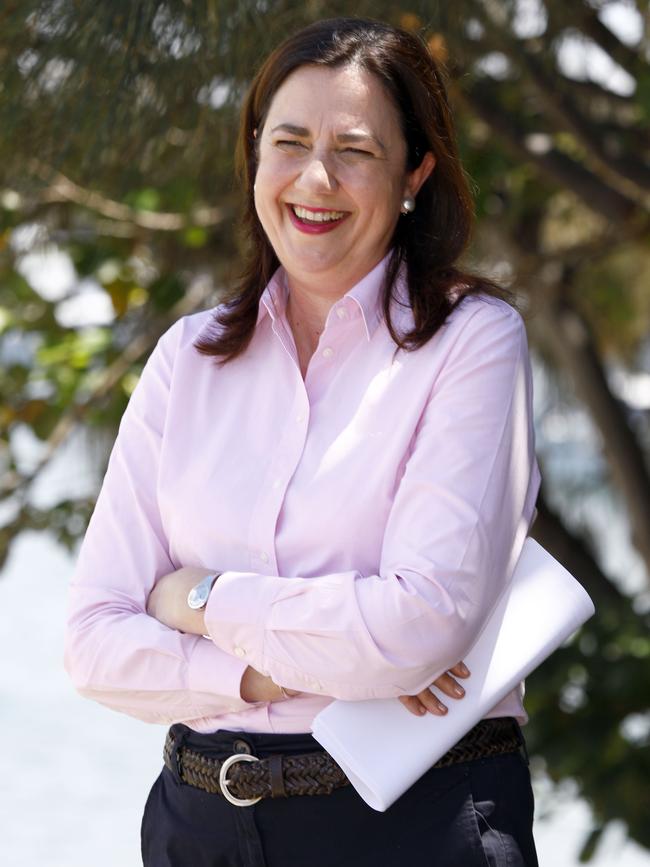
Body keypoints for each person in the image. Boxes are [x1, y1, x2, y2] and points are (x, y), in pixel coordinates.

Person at [64, 16, 541, 867]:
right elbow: (95, 642)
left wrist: (199, 598)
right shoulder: (188, 358)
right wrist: (273, 672)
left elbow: (418, 624)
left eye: (355, 150)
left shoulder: (474, 341)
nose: (315, 178)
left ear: (414, 175)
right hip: (199, 821)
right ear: (255, 156)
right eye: (289, 141)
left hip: (414, 821)